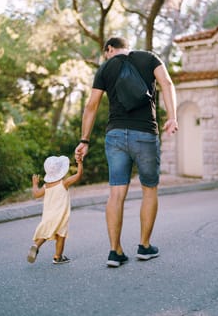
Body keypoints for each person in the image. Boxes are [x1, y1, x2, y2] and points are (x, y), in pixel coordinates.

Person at [75, 37, 178, 267]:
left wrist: (84, 140)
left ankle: (115, 251)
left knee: (116, 194)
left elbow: (91, 106)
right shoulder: (149, 58)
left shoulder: (105, 68)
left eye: (106, 53)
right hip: (145, 134)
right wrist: (172, 117)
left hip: (116, 135)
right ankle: (144, 245)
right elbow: (167, 84)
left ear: (109, 49)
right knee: (149, 189)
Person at [27, 155, 83, 264]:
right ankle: (58, 257)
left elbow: (36, 194)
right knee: (61, 235)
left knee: (46, 233)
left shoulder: (46, 186)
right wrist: (80, 163)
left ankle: (36, 245)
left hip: (48, 216)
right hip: (60, 215)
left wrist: (34, 184)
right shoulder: (64, 183)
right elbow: (78, 175)